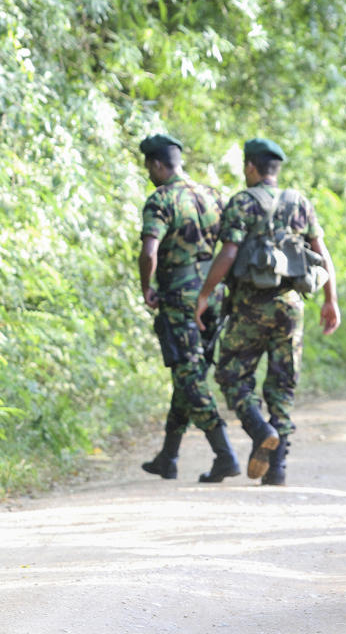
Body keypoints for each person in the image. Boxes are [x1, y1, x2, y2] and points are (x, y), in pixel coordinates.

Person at [195, 138, 340, 486]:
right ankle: (277, 468)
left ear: (250, 167)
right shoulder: (299, 202)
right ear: (276, 169)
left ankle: (260, 429)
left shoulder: (242, 202)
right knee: (282, 384)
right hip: (290, 307)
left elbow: (229, 253)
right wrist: (331, 300)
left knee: (231, 375)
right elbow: (322, 252)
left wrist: (205, 294)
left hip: (249, 307)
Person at [138, 133, 241, 483]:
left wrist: (146, 287)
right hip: (213, 292)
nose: (149, 173)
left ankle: (225, 454)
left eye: (148, 167)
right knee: (190, 375)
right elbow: (233, 246)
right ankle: (167, 457)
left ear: (156, 164)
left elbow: (150, 251)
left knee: (188, 377)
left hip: (179, 297)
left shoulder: (161, 200)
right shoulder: (213, 196)